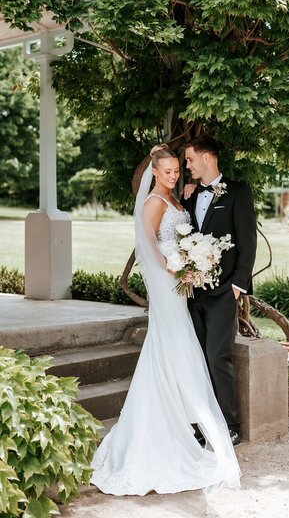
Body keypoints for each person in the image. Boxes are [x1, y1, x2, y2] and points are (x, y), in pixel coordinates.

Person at [90, 144, 241, 496]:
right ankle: (165, 428)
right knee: (174, 348)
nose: (174, 176)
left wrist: (191, 264)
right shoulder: (155, 202)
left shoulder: (177, 199)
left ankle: (180, 419)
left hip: (182, 285)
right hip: (168, 287)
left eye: (177, 171)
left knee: (177, 352)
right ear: (154, 172)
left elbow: (183, 235)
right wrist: (176, 267)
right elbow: (148, 248)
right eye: (168, 172)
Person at [181, 135, 257, 446]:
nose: (188, 166)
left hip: (224, 293)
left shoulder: (238, 192)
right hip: (192, 293)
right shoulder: (188, 195)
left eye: (190, 159)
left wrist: (237, 287)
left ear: (208, 157)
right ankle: (201, 424)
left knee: (217, 356)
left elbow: (247, 242)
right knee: (197, 358)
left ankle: (229, 425)